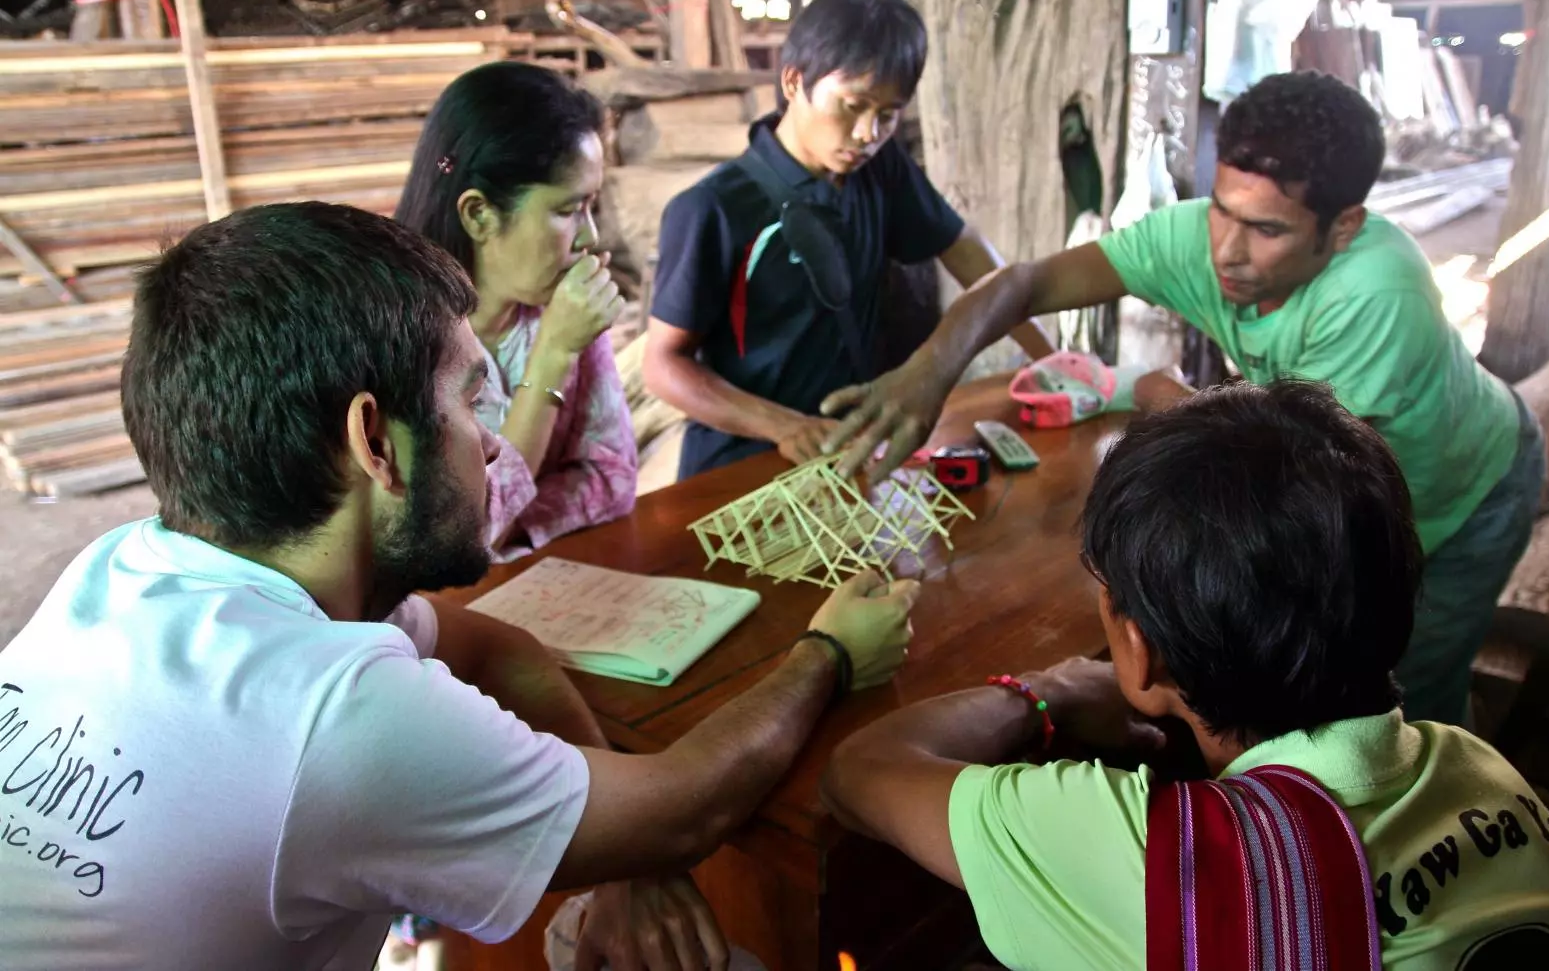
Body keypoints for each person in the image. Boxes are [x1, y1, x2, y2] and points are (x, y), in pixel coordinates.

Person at [0, 202, 919, 971]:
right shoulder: (330, 713)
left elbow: (493, 645)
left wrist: (621, 847)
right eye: (469, 402)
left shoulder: (126, 564)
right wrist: (829, 651)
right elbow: (687, 807)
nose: (488, 443)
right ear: (374, 443)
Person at [824, 71, 1544, 726]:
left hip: (1467, 493)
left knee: (1402, 699)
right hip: (1329, 464)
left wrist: (1160, 394)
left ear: (1343, 227)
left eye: (1267, 229)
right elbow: (1022, 285)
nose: (1227, 250)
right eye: (1223, 210)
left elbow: (1289, 484)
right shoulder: (1195, 239)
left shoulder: (1377, 295)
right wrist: (929, 371)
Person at [822, 382, 1549, 971]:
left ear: (1139, 650)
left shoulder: (1164, 862)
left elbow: (859, 773)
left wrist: (1048, 692)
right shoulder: (1478, 766)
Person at [643, 0, 1054, 480]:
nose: (868, 134)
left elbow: (965, 251)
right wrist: (785, 427)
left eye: (888, 114)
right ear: (794, 81)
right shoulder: (713, 208)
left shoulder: (879, 172)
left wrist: (1053, 366)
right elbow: (664, 366)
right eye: (853, 105)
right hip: (740, 468)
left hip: (845, 459)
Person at [394, 62, 636, 562]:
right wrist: (552, 356)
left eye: (592, 207)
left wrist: (510, 533)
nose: (591, 237)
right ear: (480, 214)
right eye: (569, 210)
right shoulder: (403, 344)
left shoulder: (560, 309)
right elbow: (460, 536)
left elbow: (614, 479)